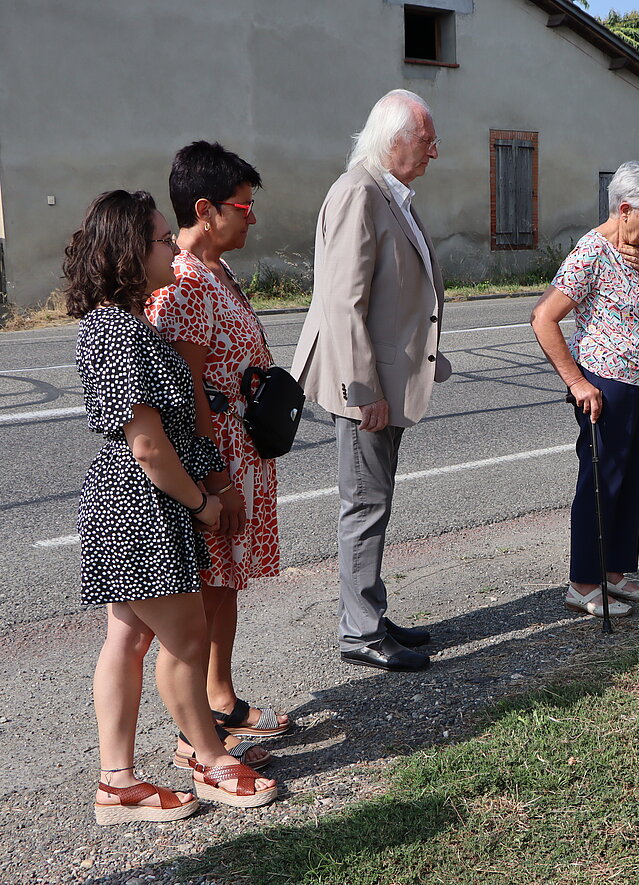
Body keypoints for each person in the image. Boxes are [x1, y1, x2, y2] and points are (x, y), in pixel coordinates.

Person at [68, 190, 277, 824]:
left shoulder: (115, 328)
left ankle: (119, 781)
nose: (171, 246)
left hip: (122, 502)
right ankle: (209, 759)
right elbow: (150, 445)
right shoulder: (121, 334)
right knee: (184, 641)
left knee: (127, 640)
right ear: (130, 252)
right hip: (143, 503)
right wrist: (206, 504)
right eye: (161, 239)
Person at [291, 89, 451, 672]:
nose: (435, 149)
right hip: (365, 387)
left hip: (385, 381)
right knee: (363, 504)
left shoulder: (389, 192)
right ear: (394, 139)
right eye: (427, 138)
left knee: (374, 501)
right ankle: (359, 631)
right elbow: (342, 303)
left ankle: (370, 614)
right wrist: (365, 393)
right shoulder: (359, 191)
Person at [146, 143, 288, 766]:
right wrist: (220, 481)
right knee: (207, 587)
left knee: (224, 585)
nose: (250, 217)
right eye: (242, 206)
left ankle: (220, 696)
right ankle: (196, 727)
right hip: (219, 456)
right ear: (205, 209)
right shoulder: (183, 284)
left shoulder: (216, 272)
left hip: (241, 449)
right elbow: (191, 396)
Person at [530, 161, 639, 617]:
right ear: (625, 208)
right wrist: (576, 382)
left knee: (632, 480)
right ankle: (583, 582)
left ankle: (617, 572)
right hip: (605, 385)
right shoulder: (591, 251)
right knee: (600, 483)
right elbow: (543, 317)